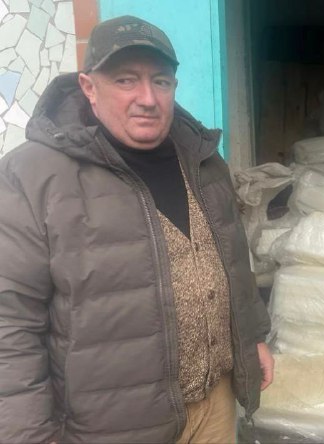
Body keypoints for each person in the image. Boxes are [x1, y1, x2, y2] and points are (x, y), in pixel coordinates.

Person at [0, 16, 273, 443]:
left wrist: (252, 338)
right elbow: (10, 322)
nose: (147, 98)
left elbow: (234, 259)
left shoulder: (202, 159)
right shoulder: (32, 177)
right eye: (126, 80)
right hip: (116, 425)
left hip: (214, 404)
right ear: (89, 87)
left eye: (160, 81)